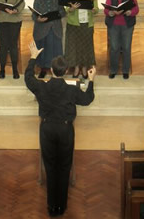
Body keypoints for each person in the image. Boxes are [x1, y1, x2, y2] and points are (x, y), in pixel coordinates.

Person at [25, 42, 95, 217]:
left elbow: (28, 78)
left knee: (50, 167)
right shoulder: (72, 90)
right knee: (64, 167)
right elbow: (87, 99)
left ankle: (51, 206)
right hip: (65, 130)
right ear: (65, 72)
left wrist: (33, 57)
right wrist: (91, 79)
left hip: (47, 128)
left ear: (51, 70)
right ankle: (61, 206)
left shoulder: (41, 86)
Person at [104, 0, 139, 79]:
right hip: (113, 24)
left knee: (126, 47)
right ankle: (113, 70)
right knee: (114, 48)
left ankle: (125, 70)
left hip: (127, 24)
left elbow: (136, 9)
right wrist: (111, 12)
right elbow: (106, 9)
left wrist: (129, 12)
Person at [65, 0, 99, 79]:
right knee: (74, 47)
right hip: (74, 25)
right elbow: (67, 9)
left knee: (85, 47)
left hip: (86, 24)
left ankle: (84, 68)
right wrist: (72, 8)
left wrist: (93, 9)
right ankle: (76, 68)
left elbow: (96, 9)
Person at [32, 0, 66, 79]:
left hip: (55, 28)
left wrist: (57, 14)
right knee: (43, 50)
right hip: (42, 29)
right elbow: (34, 15)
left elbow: (63, 12)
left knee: (55, 50)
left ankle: (57, 70)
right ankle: (43, 69)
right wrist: (38, 18)